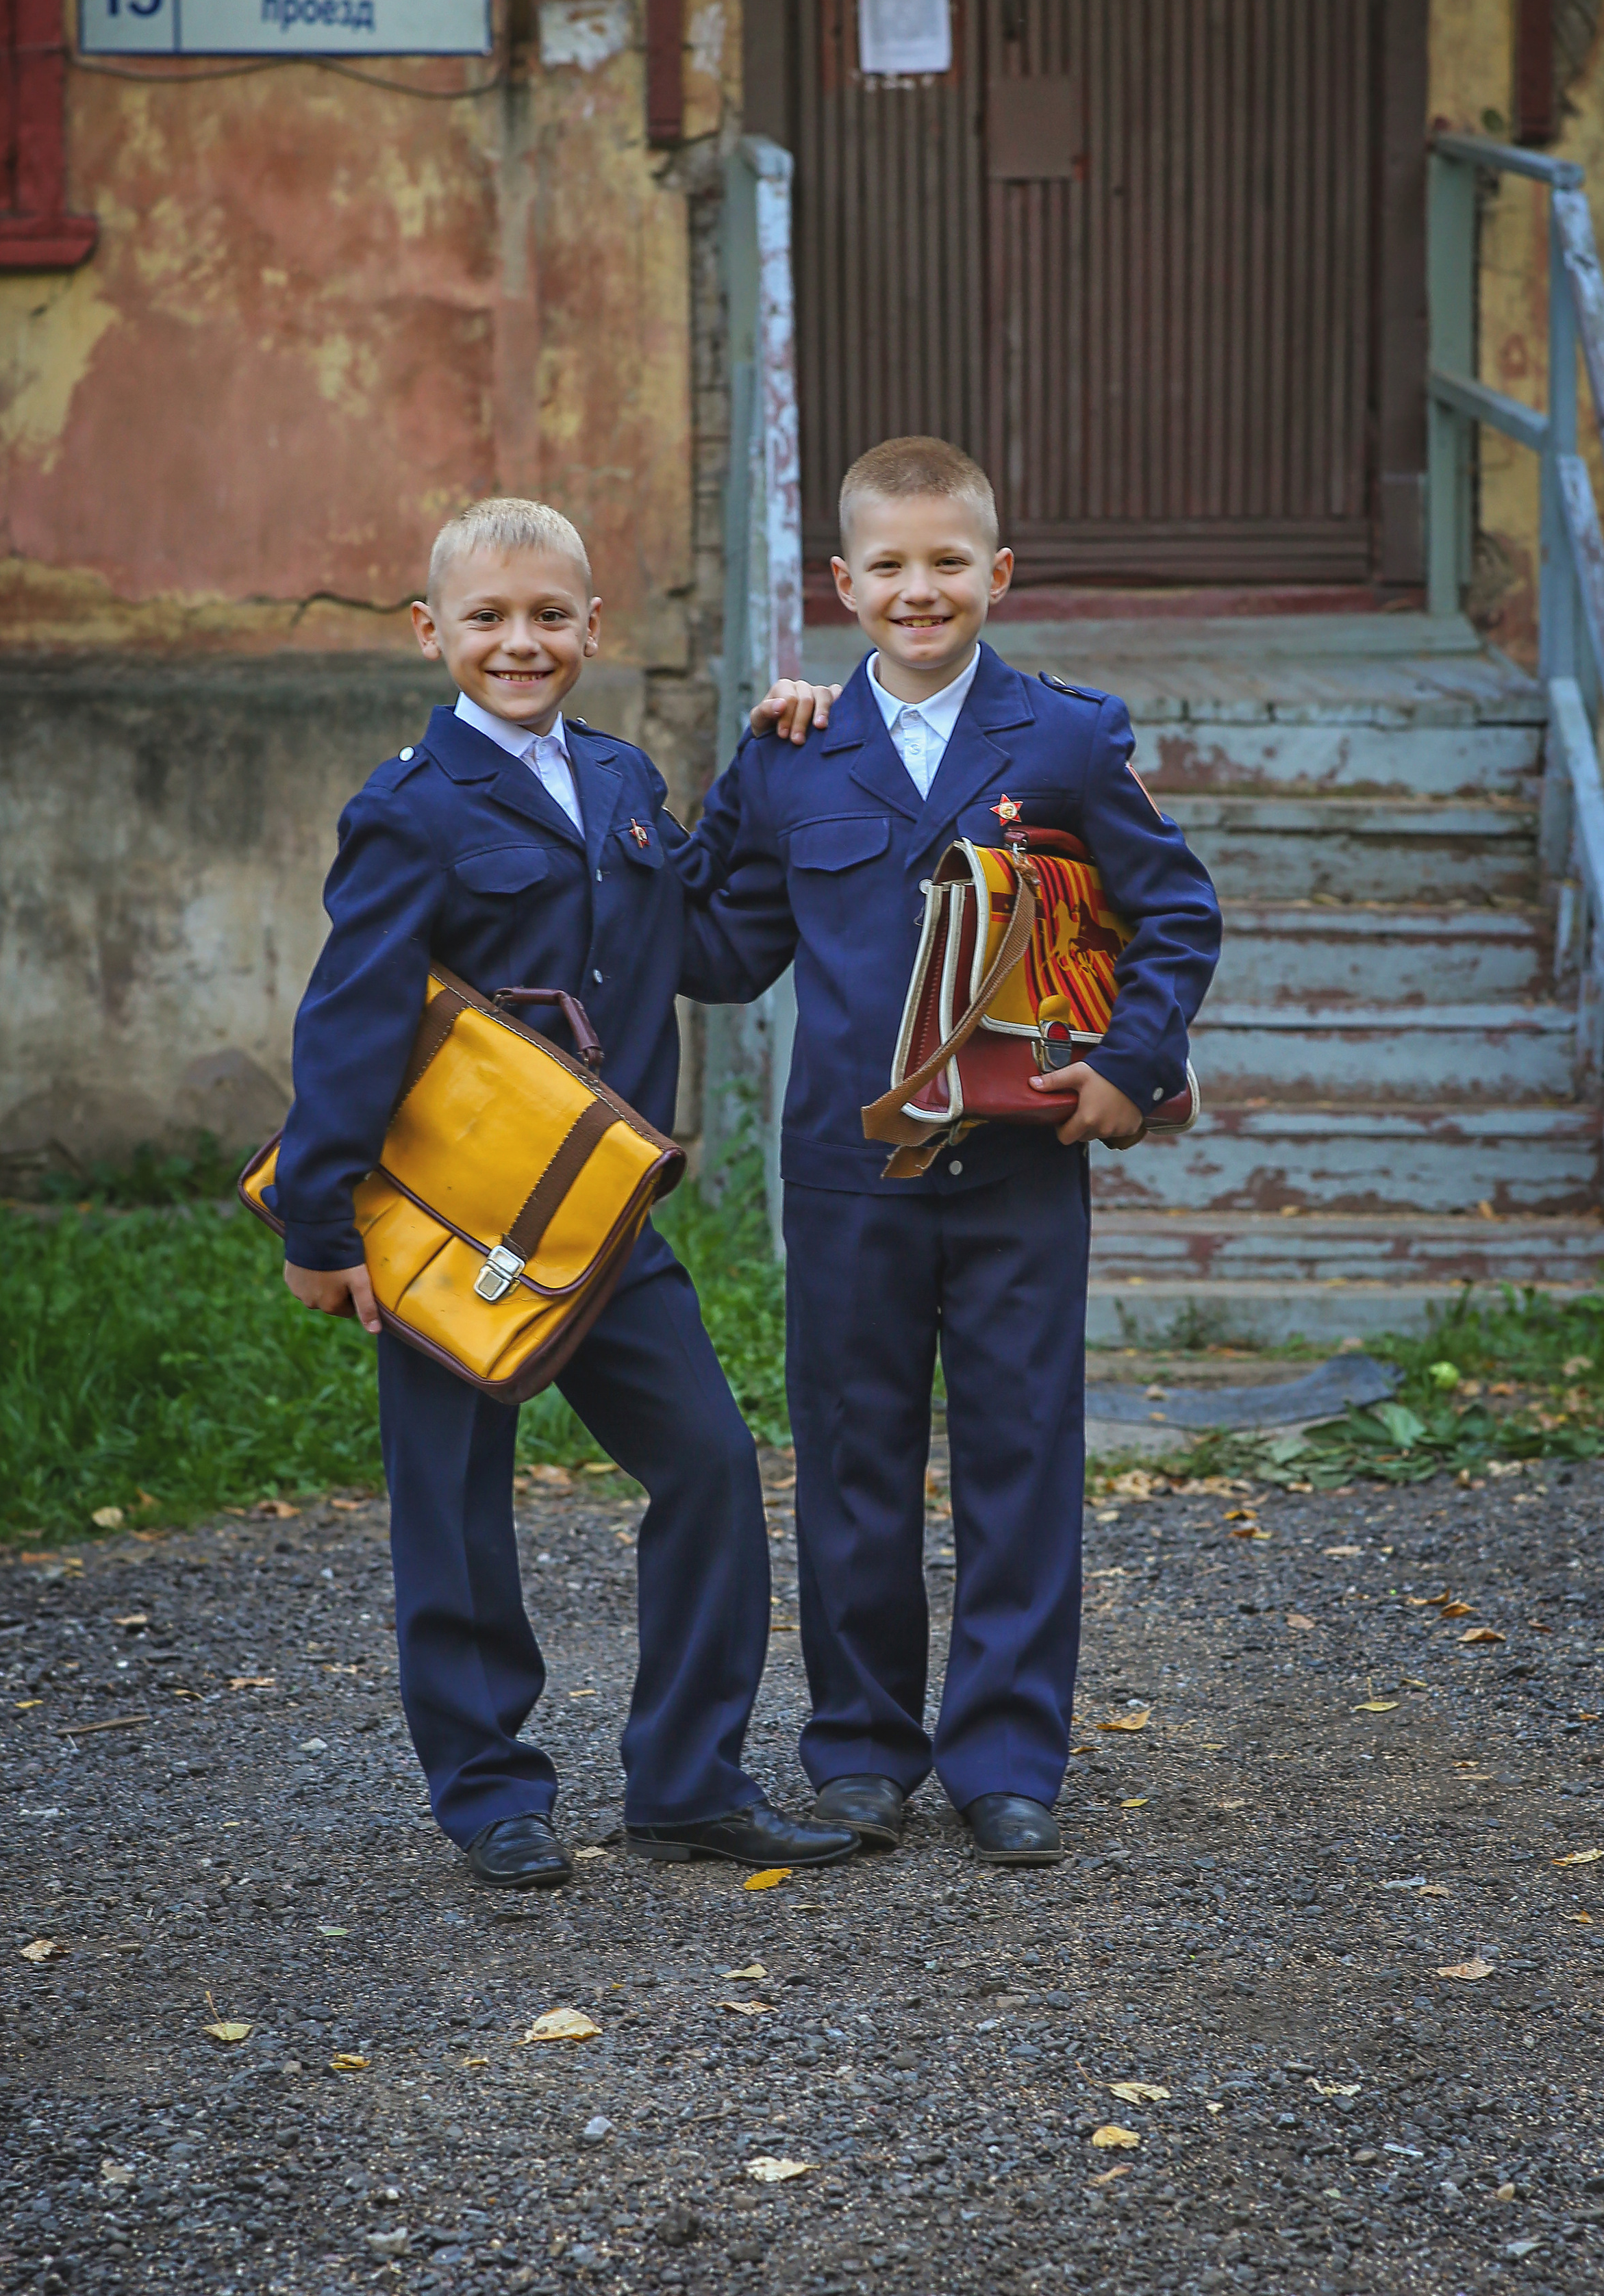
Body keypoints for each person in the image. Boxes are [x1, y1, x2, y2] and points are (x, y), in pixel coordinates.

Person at [271, 498, 859, 1890]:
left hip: (599, 1218)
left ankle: (687, 1780)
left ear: (592, 627)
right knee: (455, 1501)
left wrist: (774, 787)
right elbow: (349, 1020)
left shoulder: (618, 783)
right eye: (486, 618)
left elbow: (708, 945)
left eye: (548, 616)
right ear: (431, 634)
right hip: (448, 1219)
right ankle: (489, 1796)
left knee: (709, 1466)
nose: (519, 641)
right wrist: (318, 1215)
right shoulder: (409, 809)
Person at [683, 438, 1222, 1864]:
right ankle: (860, 1752)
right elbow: (725, 943)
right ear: (841, 585)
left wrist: (1130, 1061)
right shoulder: (790, 754)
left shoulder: (1060, 739)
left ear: (994, 574)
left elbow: (1172, 913)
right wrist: (600, 852)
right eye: (888, 567)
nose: (916, 592)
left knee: (1018, 1459)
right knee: (853, 1462)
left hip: (1016, 1170)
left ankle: (1003, 1759)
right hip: (849, 1173)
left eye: (945, 564)